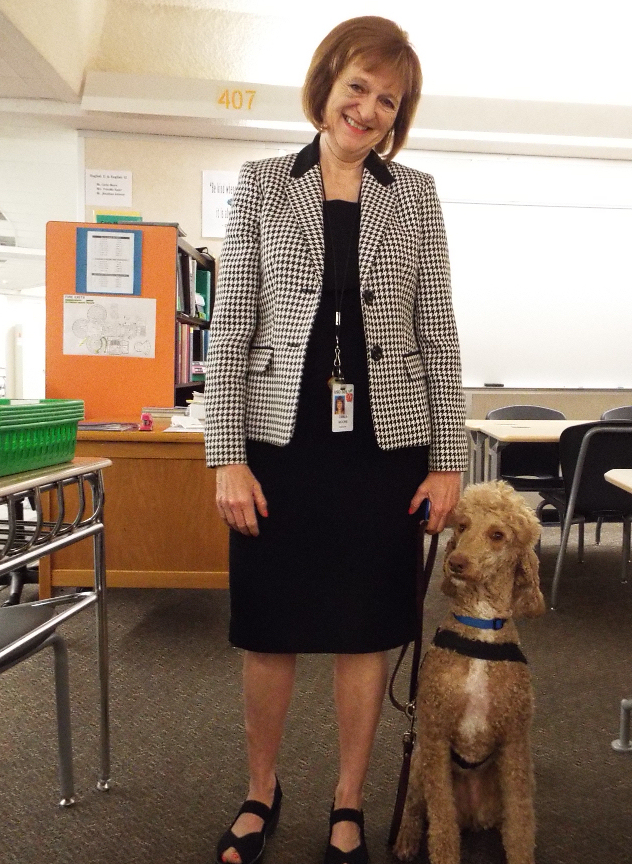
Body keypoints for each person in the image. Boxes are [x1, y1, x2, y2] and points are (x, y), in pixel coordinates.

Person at [204, 16, 466, 864]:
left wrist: (448, 461)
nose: (369, 109)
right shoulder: (261, 184)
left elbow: (438, 334)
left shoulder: (415, 194)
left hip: (382, 449)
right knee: (269, 626)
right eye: (358, 86)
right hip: (278, 446)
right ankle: (261, 789)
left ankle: (347, 798)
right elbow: (231, 327)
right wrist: (226, 455)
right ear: (326, 86)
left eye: (388, 99)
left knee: (364, 627)